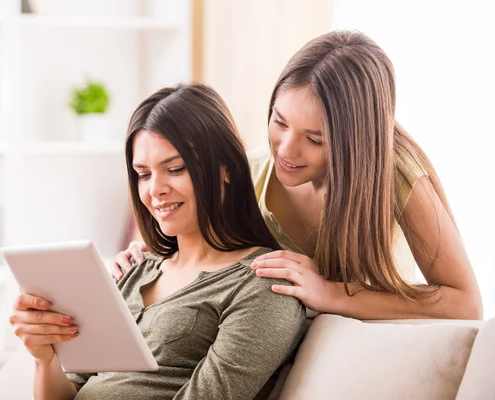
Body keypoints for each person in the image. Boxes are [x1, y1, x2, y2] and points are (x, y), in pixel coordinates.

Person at [113, 30, 483, 321]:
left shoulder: (396, 178)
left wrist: (332, 294)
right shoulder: (255, 174)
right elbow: (205, 247)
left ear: (355, 142)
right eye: (280, 122)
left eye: (315, 138)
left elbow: (465, 303)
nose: (286, 151)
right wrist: (151, 258)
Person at [9, 82, 307, 400]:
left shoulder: (264, 284)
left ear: (226, 168)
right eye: (143, 174)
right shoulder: (134, 270)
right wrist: (45, 358)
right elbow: (69, 391)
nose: (155, 190)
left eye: (175, 168)